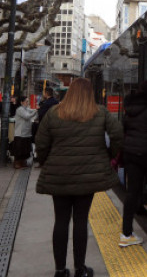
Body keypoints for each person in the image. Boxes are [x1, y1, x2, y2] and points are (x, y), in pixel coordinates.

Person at [35, 78, 123, 277]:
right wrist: (108, 156)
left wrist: (47, 161)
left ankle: (59, 270)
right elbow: (118, 134)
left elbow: (40, 142)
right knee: (81, 220)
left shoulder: (54, 113)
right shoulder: (100, 112)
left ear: (70, 92)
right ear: (89, 93)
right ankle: (80, 269)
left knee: (61, 221)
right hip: (89, 175)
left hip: (59, 174)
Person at [120, 79, 147, 247]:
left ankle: (126, 233)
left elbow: (124, 129)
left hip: (131, 154)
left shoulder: (129, 109)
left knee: (132, 193)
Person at [13, 96, 37, 169]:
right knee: (20, 149)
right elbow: (27, 116)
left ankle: (23, 162)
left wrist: (35, 110)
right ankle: (17, 163)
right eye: (26, 101)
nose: (28, 102)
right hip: (20, 133)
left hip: (27, 133)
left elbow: (31, 111)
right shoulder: (20, 109)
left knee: (26, 149)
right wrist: (36, 111)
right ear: (21, 102)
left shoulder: (26, 109)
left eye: (28, 101)